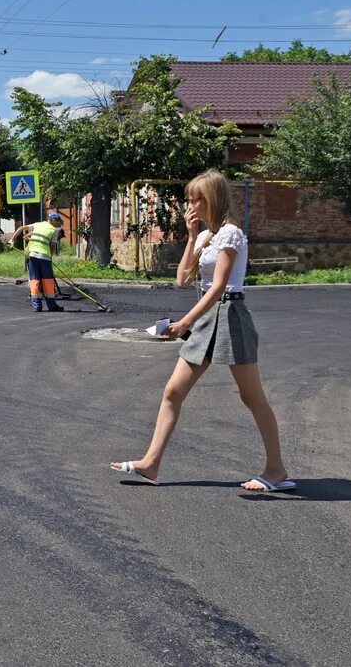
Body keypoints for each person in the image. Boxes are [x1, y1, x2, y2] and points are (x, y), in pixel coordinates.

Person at [111, 169, 293, 492]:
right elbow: (182, 280)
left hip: (231, 314)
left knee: (252, 396)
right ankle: (151, 463)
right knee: (173, 391)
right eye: (190, 199)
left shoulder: (231, 234)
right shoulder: (209, 237)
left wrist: (184, 322)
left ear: (214, 199)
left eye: (198, 199)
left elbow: (220, 286)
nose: (192, 205)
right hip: (209, 318)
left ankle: (276, 470)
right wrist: (192, 236)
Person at [12, 212, 65, 312]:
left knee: (34, 280)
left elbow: (21, 228)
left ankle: (37, 306)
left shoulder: (38, 224)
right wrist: (50, 257)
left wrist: (12, 240)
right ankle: (52, 306)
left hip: (32, 256)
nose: (59, 224)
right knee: (48, 281)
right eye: (58, 222)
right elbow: (52, 247)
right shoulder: (54, 230)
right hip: (44, 257)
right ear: (52, 220)